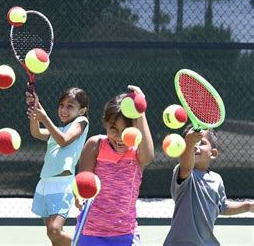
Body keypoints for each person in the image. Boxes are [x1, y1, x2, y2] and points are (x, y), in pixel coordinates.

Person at [74, 85, 154, 246]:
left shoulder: (137, 152)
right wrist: (79, 197)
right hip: (90, 232)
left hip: (125, 233)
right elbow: (83, 181)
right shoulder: (95, 145)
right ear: (105, 124)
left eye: (126, 129)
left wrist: (140, 110)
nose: (119, 136)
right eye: (113, 128)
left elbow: (149, 156)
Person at [163, 125, 254, 245]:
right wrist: (189, 143)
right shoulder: (184, 173)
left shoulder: (216, 179)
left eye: (200, 142)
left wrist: (247, 206)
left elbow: (222, 206)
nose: (195, 146)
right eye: (190, 144)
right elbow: (186, 165)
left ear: (213, 153)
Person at [26, 87, 90, 246]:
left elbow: (64, 140)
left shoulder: (81, 122)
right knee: (54, 238)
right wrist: (35, 111)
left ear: (82, 110)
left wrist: (44, 117)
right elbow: (36, 132)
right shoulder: (59, 130)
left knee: (55, 230)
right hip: (44, 184)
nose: (64, 109)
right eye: (61, 105)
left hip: (62, 185)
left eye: (70, 106)